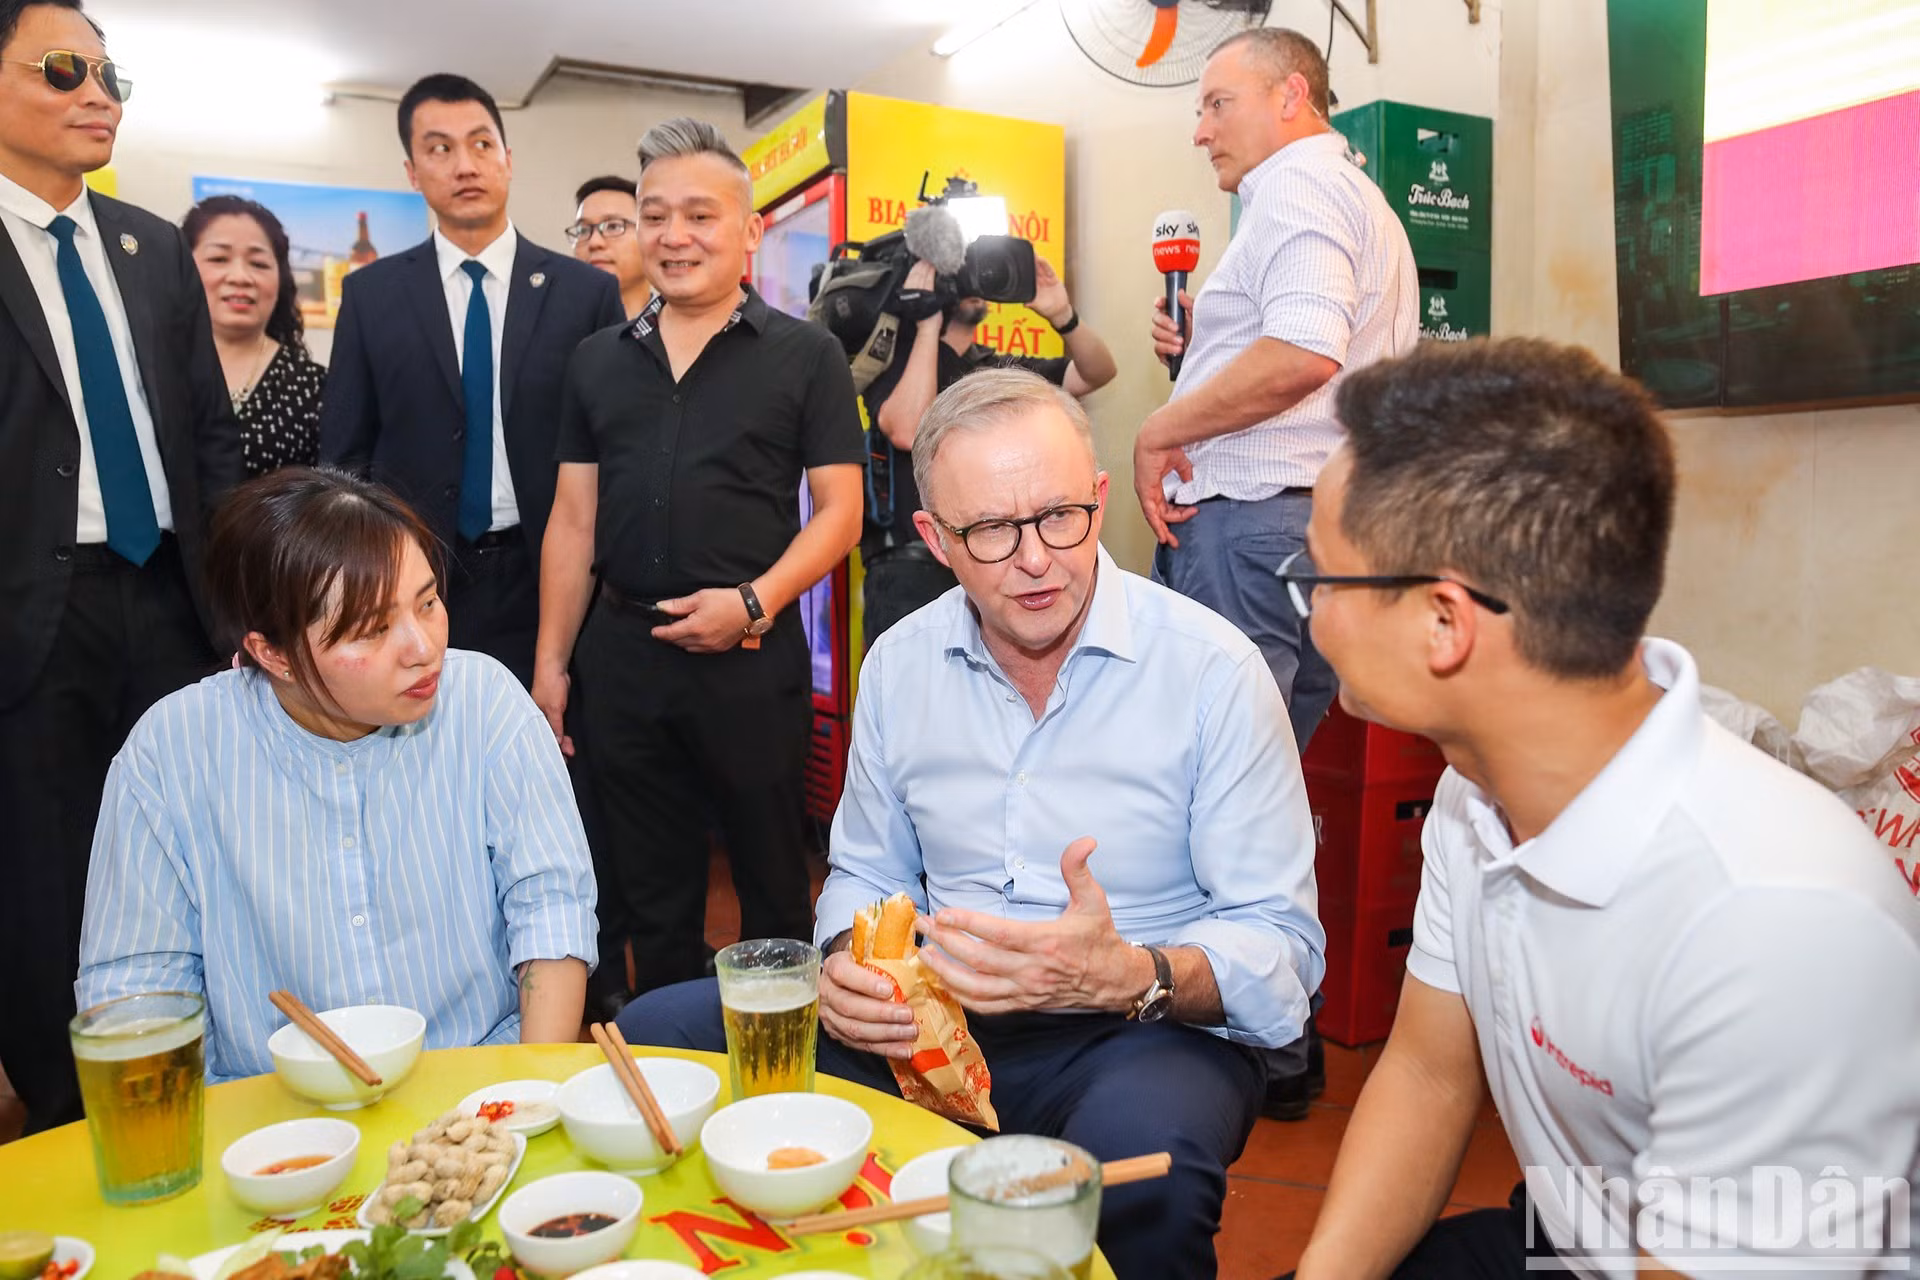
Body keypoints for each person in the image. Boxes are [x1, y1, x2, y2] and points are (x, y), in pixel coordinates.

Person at [622, 370, 1325, 1280]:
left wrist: (1127, 976)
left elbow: (1283, 955)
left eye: (1061, 516)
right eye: (993, 531)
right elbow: (867, 875)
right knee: (656, 1040)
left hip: (1136, 1032)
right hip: (929, 1017)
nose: (1036, 559)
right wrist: (846, 962)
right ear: (935, 540)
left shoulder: (1213, 672)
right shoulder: (902, 663)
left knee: (1135, 1178)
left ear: (1102, 501)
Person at [1284, 339, 1920, 1279]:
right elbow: (1427, 1072)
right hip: (1578, 1230)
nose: (1311, 614)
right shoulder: (1478, 792)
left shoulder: (1777, 922)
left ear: (1445, 623)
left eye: (1324, 580)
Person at [76, 467, 598, 1081]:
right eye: (372, 629)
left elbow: (551, 910)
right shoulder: (170, 755)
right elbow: (138, 992)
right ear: (272, 654)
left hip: (478, 1082)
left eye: (427, 602)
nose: (421, 647)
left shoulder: (486, 703)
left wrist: (526, 1093)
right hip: (270, 1117)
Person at [1136, 24, 1417, 1121]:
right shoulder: (1336, 190)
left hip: (1254, 528)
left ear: (1291, 97)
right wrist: (1201, 350)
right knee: (1261, 786)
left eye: (1217, 102)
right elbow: (1293, 350)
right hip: (1298, 529)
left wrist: (1163, 424)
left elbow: (1303, 350)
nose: (1199, 126)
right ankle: (1277, 1025)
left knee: (1217, 789)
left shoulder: (1297, 189)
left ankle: (1263, 1036)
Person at [537, 117, 865, 1009]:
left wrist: (753, 606)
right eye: (654, 216)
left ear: (749, 229)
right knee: (651, 893)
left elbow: (842, 514)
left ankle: (788, 1084)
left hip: (750, 661)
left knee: (771, 880)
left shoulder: (807, 355)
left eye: (699, 215)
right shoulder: (596, 362)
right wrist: (551, 665)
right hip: (622, 661)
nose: (674, 236)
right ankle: (675, 1066)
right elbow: (572, 522)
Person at [0, 0, 241, 1132]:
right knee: (44, 880)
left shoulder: (150, 248)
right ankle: (65, 1124)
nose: (97, 94)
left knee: (195, 850)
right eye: (62, 70)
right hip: (31, 617)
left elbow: (207, 442)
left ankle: (216, 1094)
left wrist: (237, 601)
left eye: (109, 75)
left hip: (172, 600)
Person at [319, 73, 624, 686]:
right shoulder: (372, 296)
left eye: (482, 144)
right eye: (440, 149)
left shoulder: (584, 294)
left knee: (548, 762)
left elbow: (617, 450)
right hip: (410, 583)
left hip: (552, 579)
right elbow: (344, 457)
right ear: (411, 171)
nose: (465, 164)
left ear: (508, 159)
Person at [861, 255, 1116, 645]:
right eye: (956, 271)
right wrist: (926, 320)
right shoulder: (901, 358)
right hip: (910, 569)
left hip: (1004, 559)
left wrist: (1062, 314)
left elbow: (1098, 371)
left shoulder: (996, 369)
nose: (970, 283)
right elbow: (907, 429)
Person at [184, 194, 325, 476]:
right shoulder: (148, 371)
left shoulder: (316, 388)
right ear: (182, 266)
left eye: (258, 264)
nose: (240, 277)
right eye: (219, 258)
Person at [567, 174, 649, 320]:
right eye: (583, 230)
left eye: (613, 226)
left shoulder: (679, 326)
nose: (594, 243)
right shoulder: (554, 325)